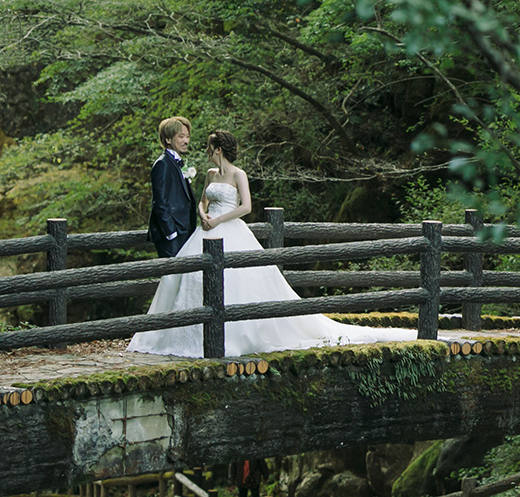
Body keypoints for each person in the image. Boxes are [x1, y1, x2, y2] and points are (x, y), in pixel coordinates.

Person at [128, 129, 416, 357]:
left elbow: (246, 208)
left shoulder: (238, 174)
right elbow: (203, 199)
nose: (203, 149)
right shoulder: (210, 174)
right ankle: (185, 335)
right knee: (191, 281)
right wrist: (204, 214)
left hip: (228, 229)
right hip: (205, 231)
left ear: (217, 149)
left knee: (241, 282)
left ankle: (238, 336)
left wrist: (217, 220)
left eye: (207, 145)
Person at [148, 116, 195, 258]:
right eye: (181, 137)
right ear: (168, 139)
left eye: (187, 136)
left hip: (185, 231)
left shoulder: (178, 163)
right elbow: (160, 202)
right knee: (171, 277)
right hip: (172, 235)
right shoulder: (162, 164)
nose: (186, 141)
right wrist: (171, 233)